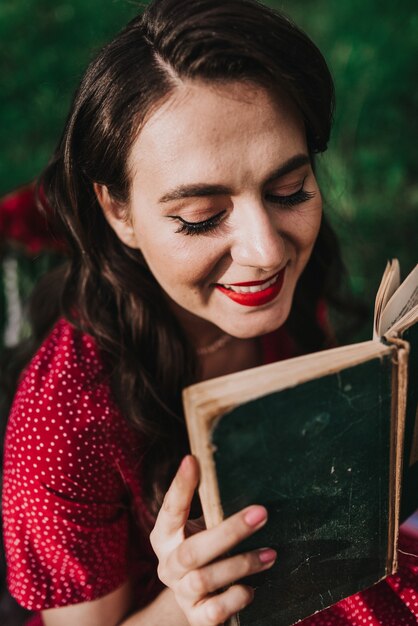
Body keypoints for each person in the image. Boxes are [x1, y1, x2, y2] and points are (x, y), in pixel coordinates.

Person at [2, 0, 418, 625]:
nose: (267, 251)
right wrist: (191, 598)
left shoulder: (290, 278)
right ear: (120, 213)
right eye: (200, 217)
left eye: (289, 190)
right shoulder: (64, 423)